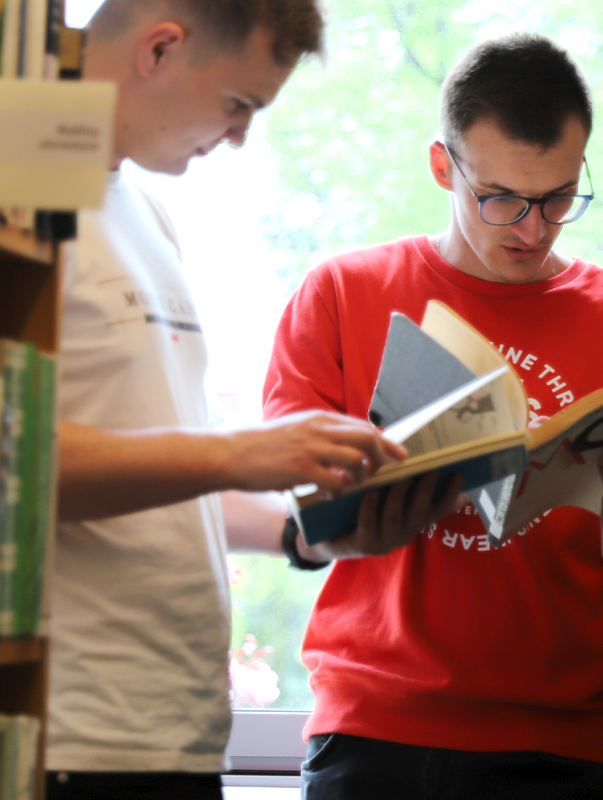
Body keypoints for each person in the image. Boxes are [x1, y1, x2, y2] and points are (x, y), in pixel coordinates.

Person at [262, 33, 603, 800]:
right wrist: (344, 514)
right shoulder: (340, 295)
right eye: (498, 197)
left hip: (562, 740)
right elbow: (286, 514)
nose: (532, 230)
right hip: (372, 723)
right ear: (444, 167)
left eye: (559, 196)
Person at [47, 2, 421, 799]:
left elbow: (159, 484)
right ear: (159, 48)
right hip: (73, 731)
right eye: (240, 104)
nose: (241, 136)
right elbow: (3, 461)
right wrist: (239, 454)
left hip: (172, 733)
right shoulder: (19, 198)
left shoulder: (144, 214)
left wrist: (308, 535)